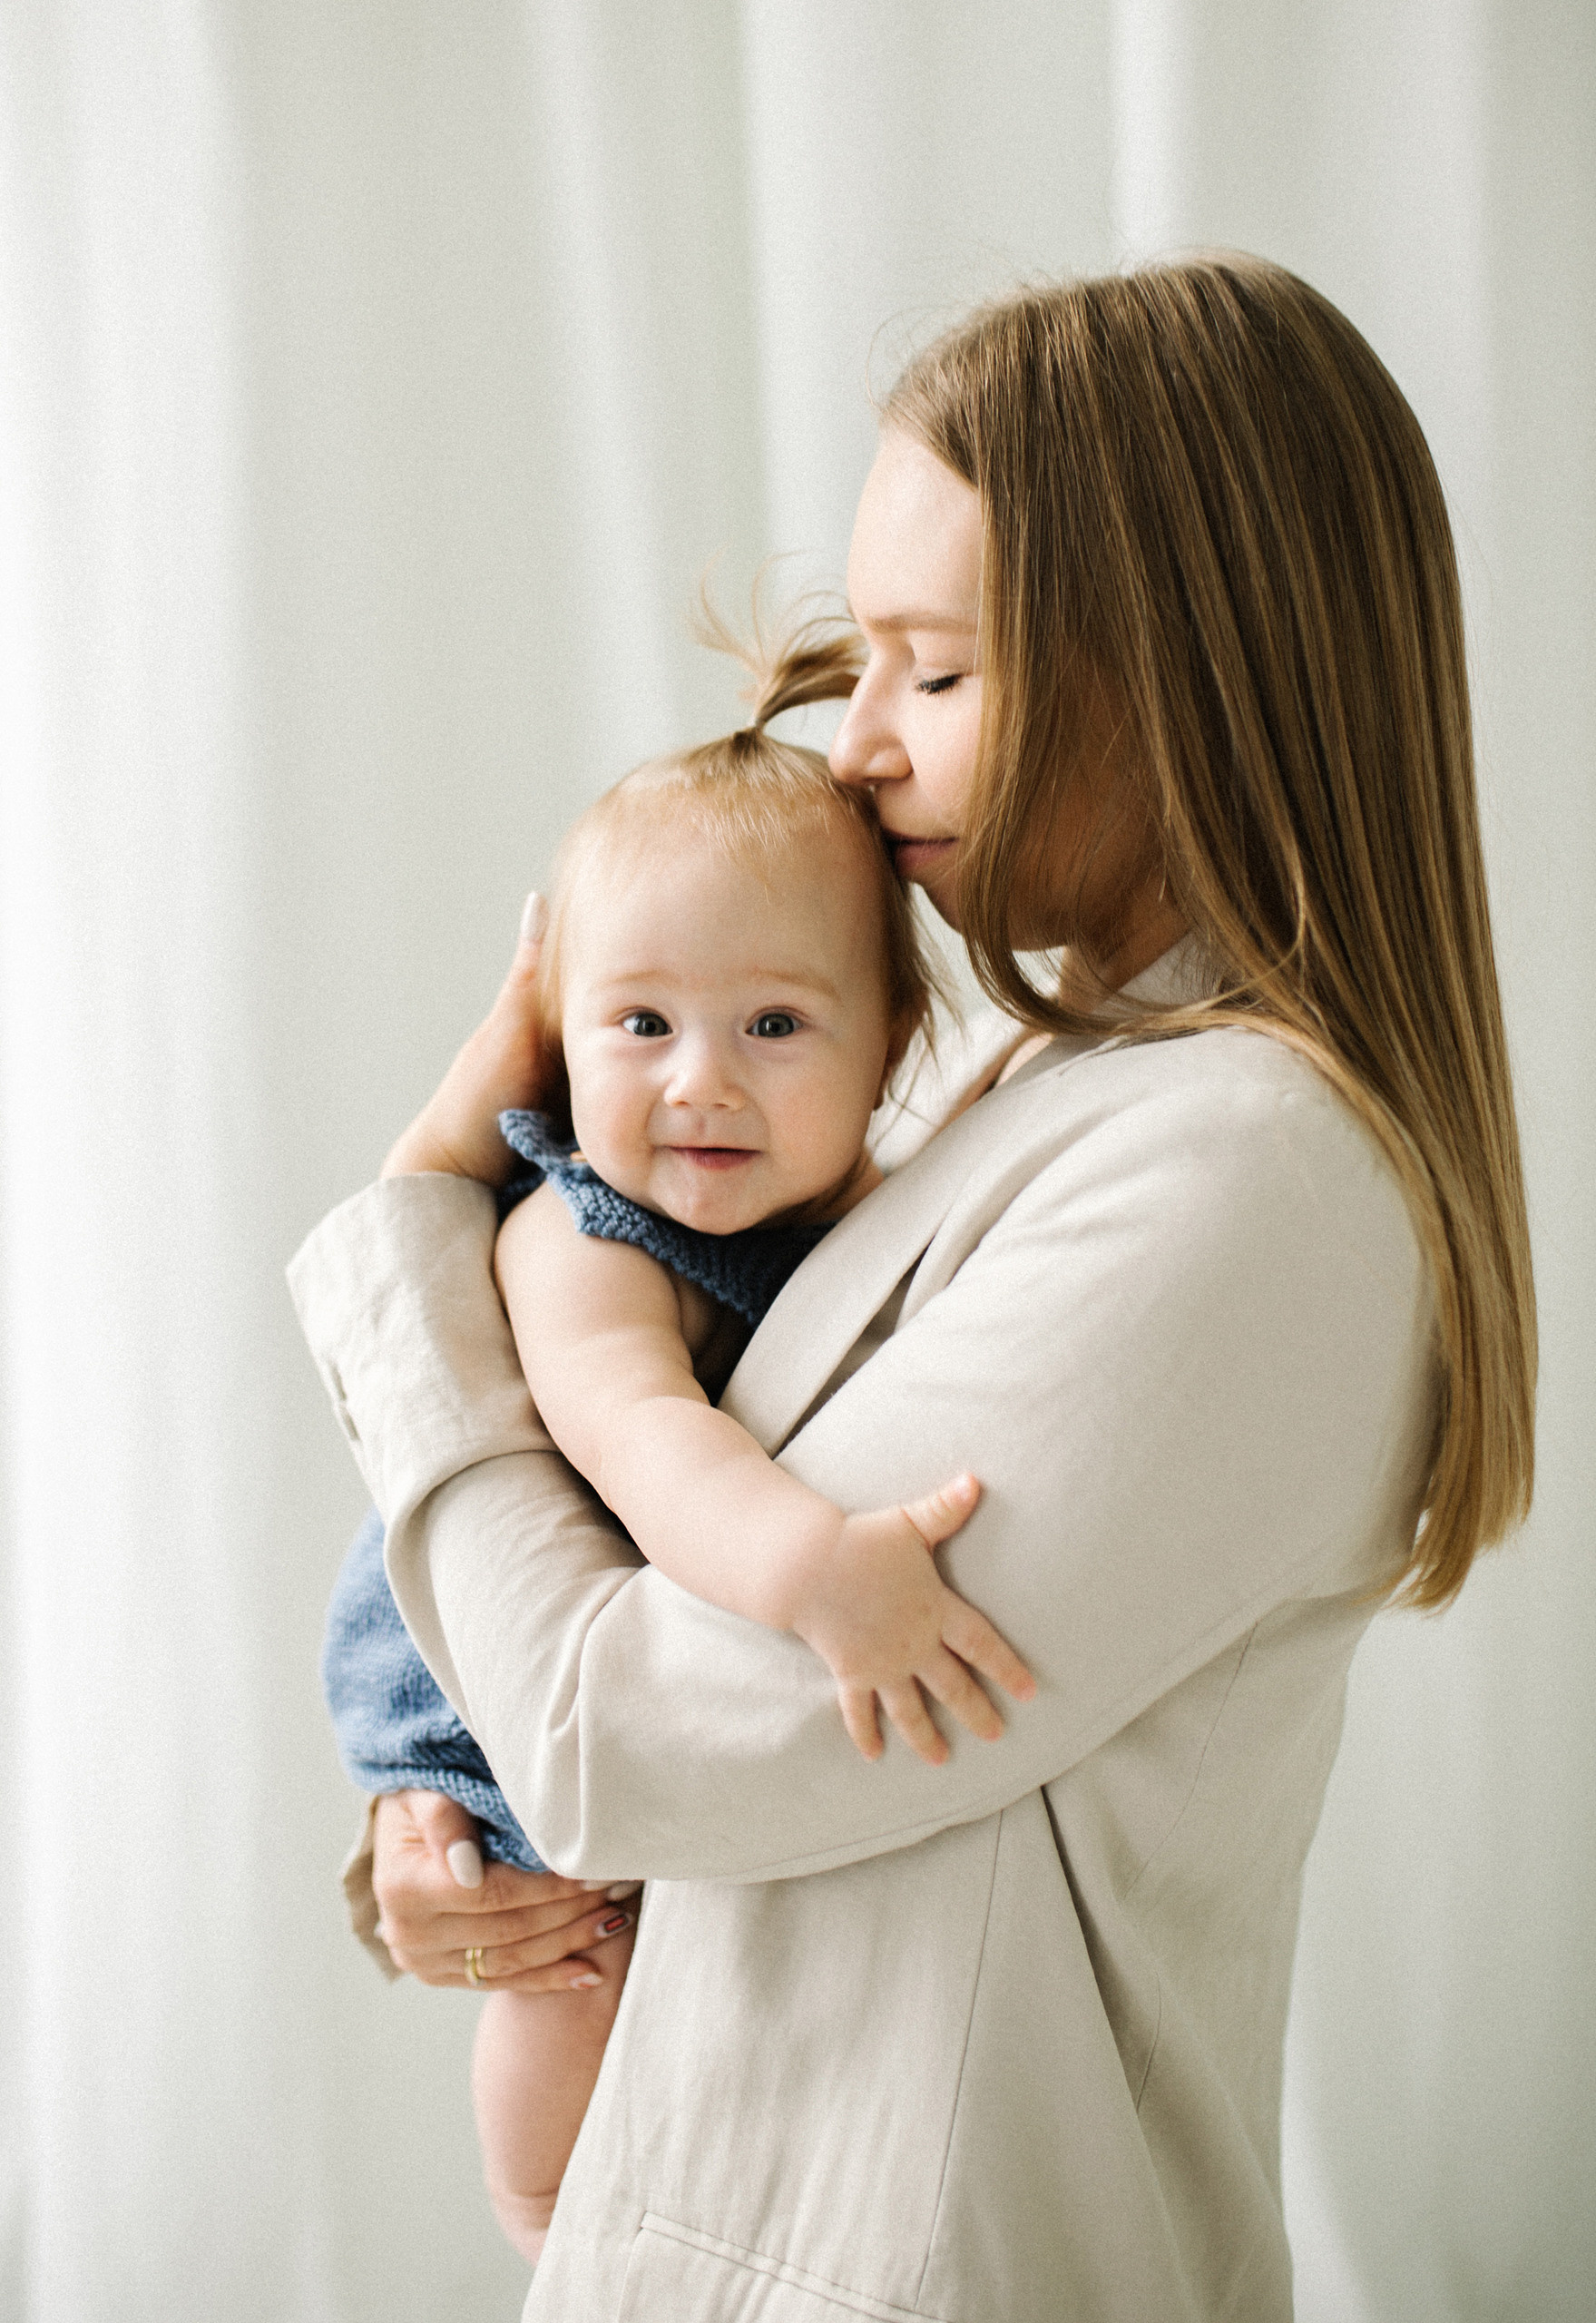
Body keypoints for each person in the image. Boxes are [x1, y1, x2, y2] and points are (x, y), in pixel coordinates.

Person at [289, 255, 1535, 2321]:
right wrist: (452, 1832)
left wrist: (433, 1214)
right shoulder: (1007, 1083)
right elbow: (624, 1721)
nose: (857, 748)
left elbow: (629, 1730)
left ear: (1185, 676)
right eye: (859, 658)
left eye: (934, 672)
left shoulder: (1241, 1178)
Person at [319, 649, 1034, 2263]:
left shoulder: (854, 1199)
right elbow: (639, 1438)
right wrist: (815, 1571)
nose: (699, 1081)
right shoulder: (584, 1240)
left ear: (890, 1045)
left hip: (619, 1629)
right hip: (467, 1682)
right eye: (639, 1022)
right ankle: (538, 2219)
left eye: (774, 1023)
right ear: (556, 1042)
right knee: (574, 1965)